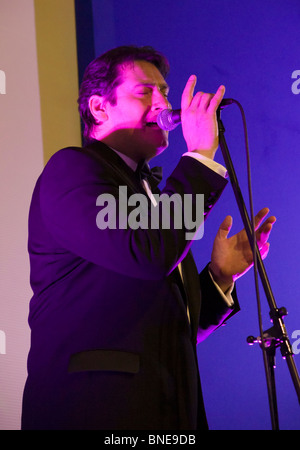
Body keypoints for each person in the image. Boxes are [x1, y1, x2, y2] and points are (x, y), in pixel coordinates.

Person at [21, 46, 275, 430]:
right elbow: (149, 255)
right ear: (99, 108)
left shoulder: (151, 197)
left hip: (167, 409)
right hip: (94, 411)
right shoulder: (73, 170)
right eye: (145, 92)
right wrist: (201, 156)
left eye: (165, 92)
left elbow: (170, 325)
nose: (163, 104)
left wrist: (220, 277)